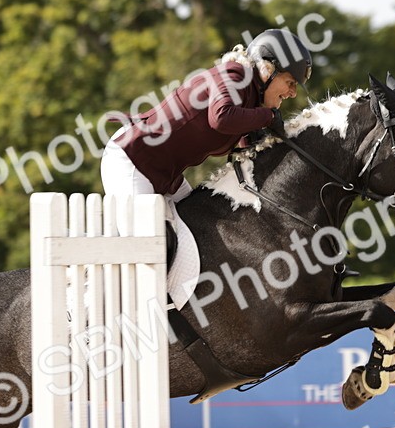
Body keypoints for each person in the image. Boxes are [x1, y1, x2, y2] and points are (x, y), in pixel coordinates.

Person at [101, 28, 312, 307]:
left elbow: (238, 141)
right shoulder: (234, 75)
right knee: (148, 245)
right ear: (267, 69)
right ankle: (89, 305)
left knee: (198, 230)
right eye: (289, 82)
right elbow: (221, 118)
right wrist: (268, 116)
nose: (292, 92)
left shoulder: (248, 95)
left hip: (166, 177)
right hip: (132, 160)